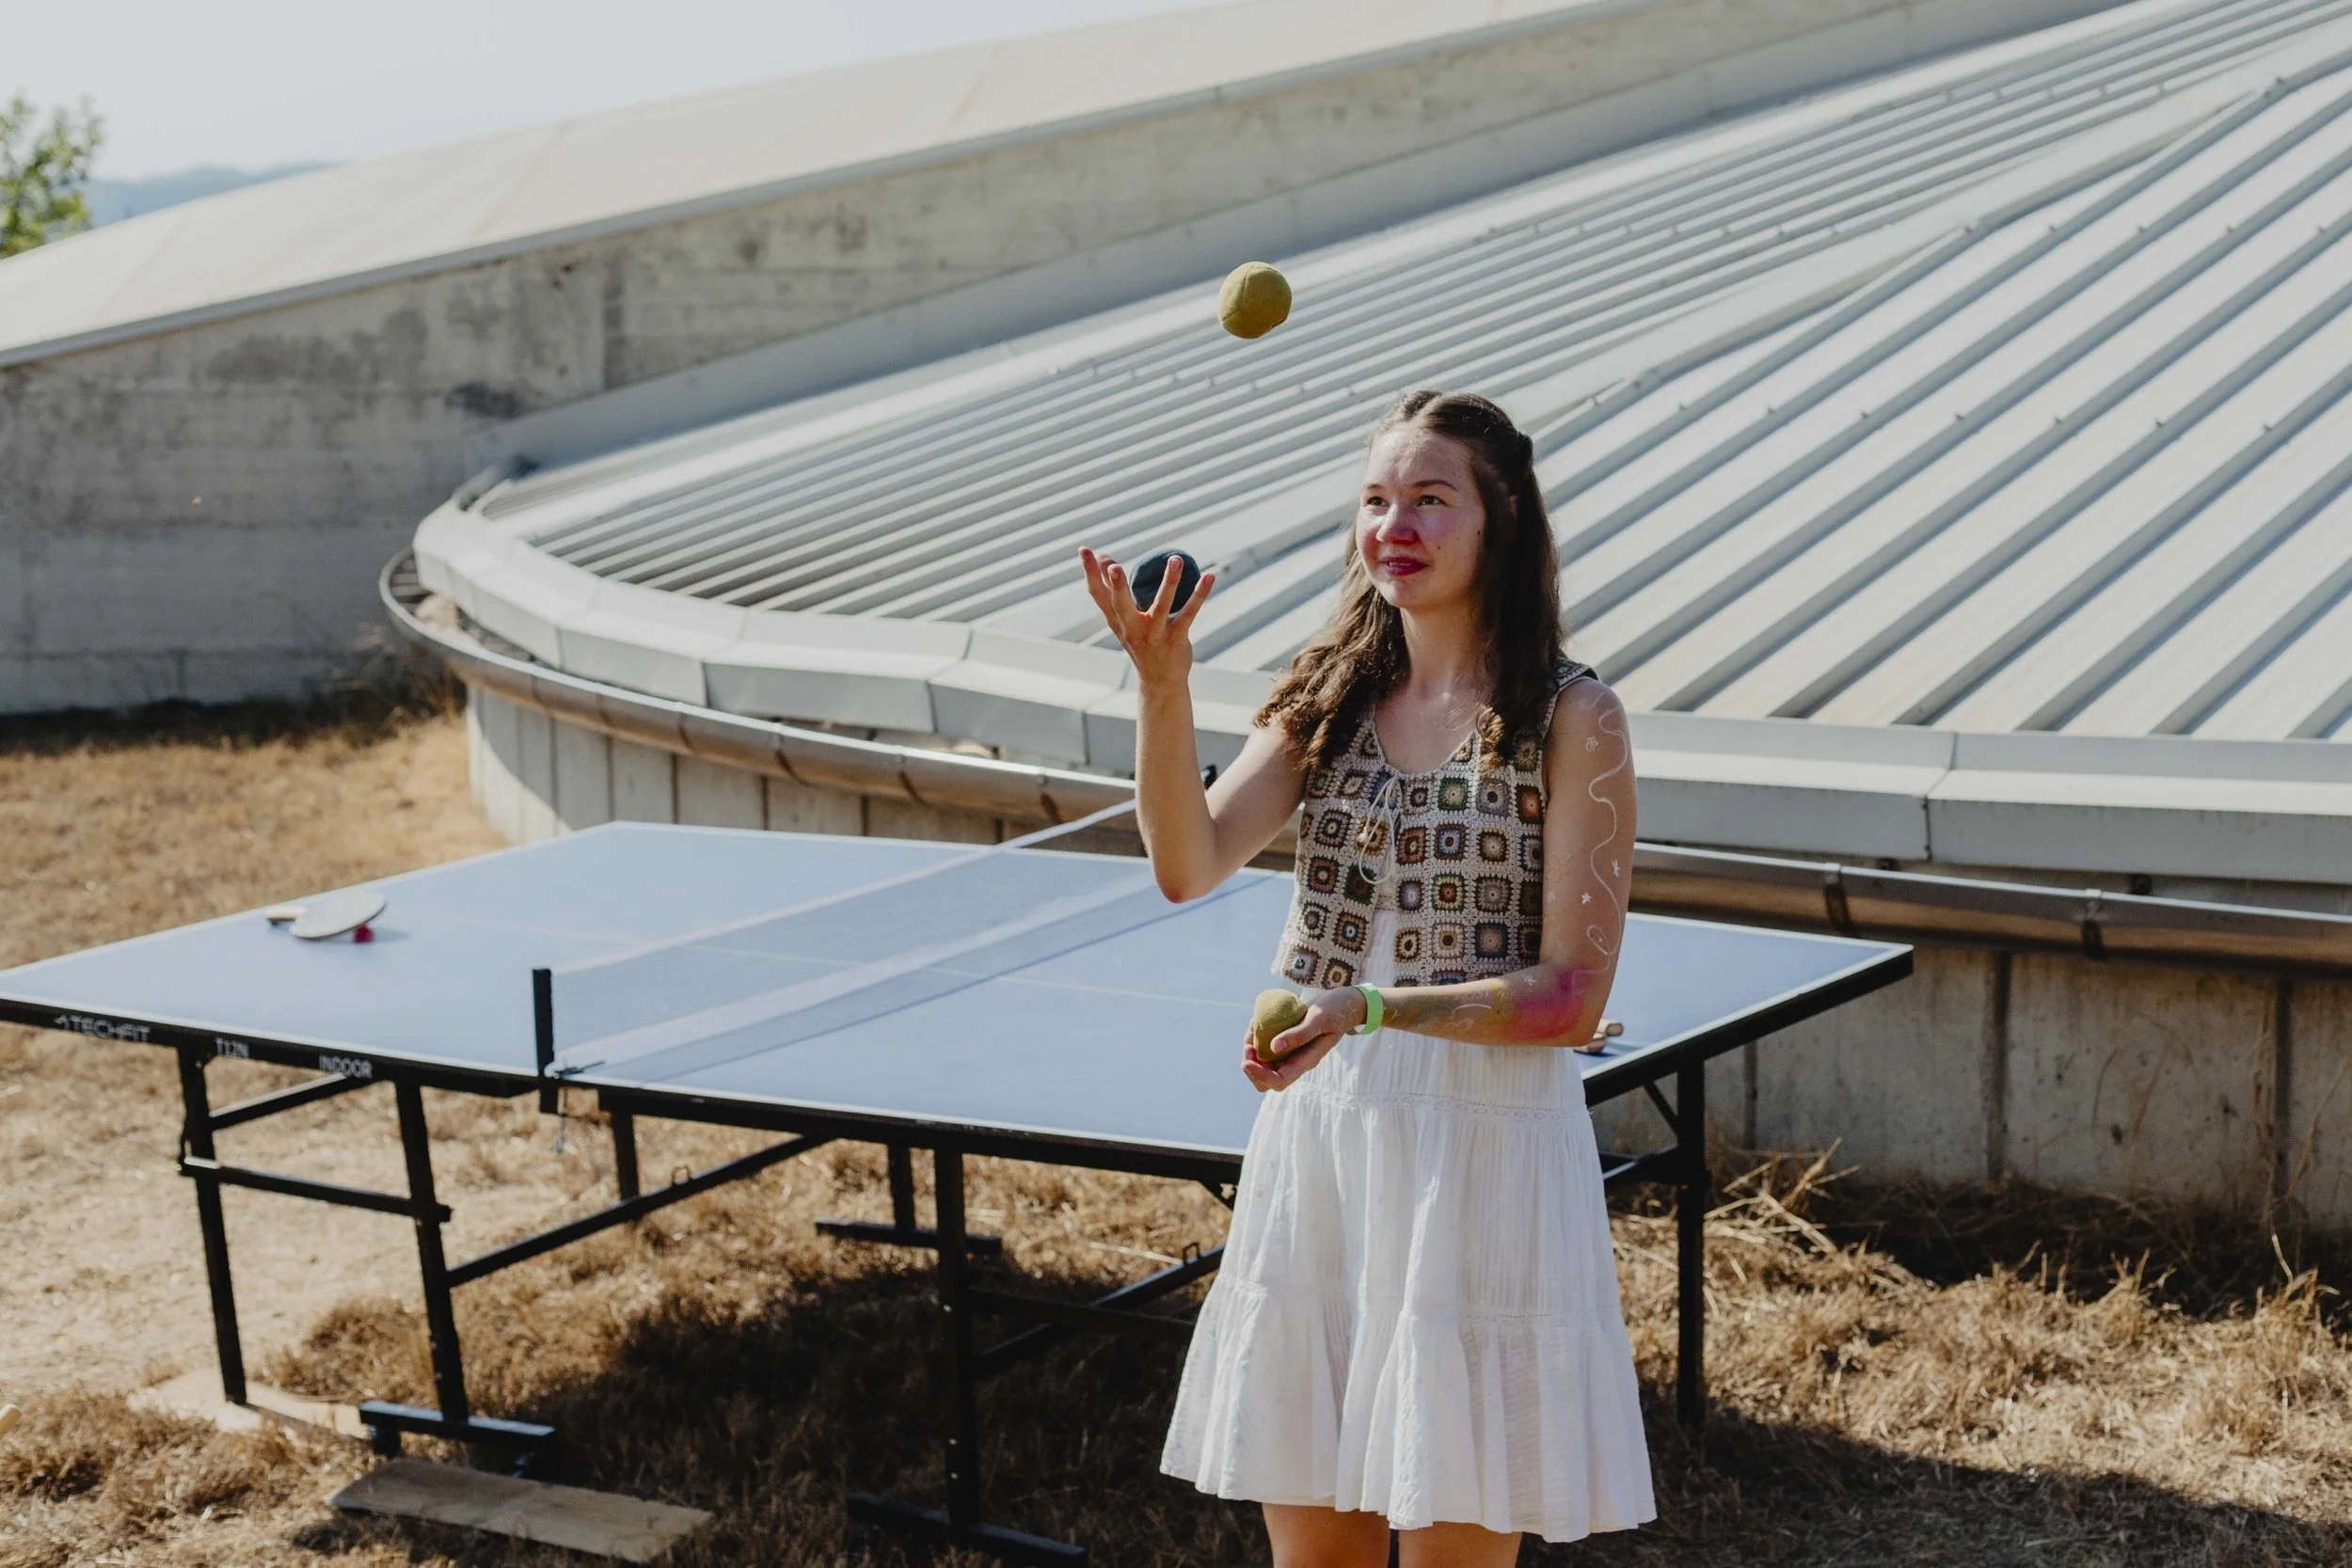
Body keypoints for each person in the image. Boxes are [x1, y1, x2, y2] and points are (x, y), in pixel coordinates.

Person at [1078, 389, 1653, 1568]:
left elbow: (1571, 999)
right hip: (1328, 1144)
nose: (1394, 522)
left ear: (1501, 518)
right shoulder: (1326, 696)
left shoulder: (1570, 716)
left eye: (1430, 498)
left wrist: (1372, 1008)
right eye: (1376, 498)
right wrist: (1161, 682)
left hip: (1485, 1159)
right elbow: (1187, 862)